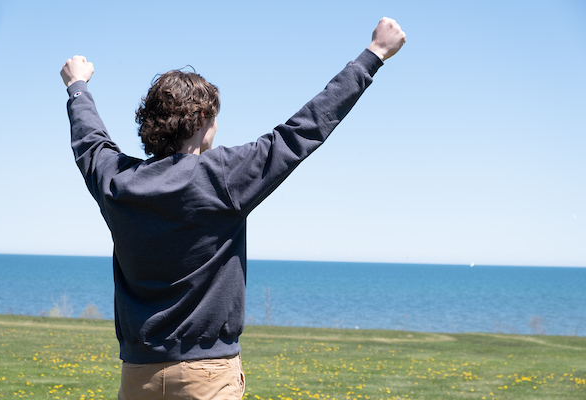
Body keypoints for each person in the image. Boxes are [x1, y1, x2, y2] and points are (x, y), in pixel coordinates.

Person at [61, 17, 405, 400]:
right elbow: (303, 130)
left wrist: (78, 88)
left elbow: (90, 142)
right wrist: (373, 55)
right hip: (207, 375)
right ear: (204, 120)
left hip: (137, 374)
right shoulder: (223, 176)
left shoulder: (116, 183)